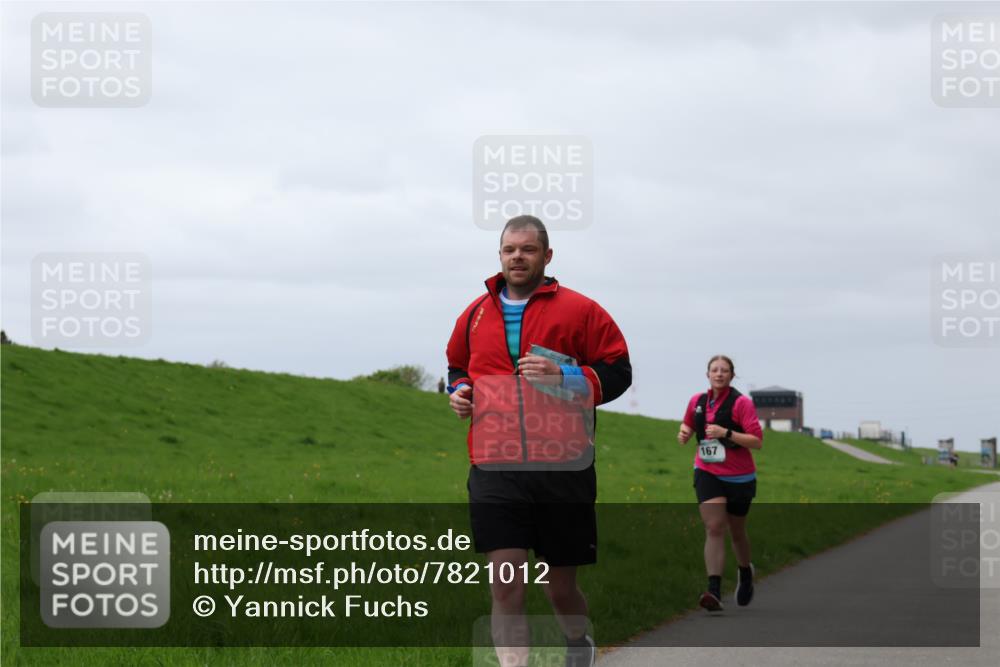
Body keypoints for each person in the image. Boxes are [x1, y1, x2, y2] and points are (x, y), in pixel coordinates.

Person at [446, 215, 631, 667]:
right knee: (506, 584)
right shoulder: (474, 313)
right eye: (510, 250)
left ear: (547, 256)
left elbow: (619, 371)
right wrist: (460, 392)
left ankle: (577, 644)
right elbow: (457, 368)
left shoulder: (581, 310)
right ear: (500, 255)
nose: (517, 257)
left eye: (527, 250)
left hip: (562, 466)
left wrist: (566, 374)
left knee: (558, 584)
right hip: (495, 466)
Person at [677, 355, 763, 612]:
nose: (719, 374)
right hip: (707, 472)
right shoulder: (697, 401)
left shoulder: (741, 404)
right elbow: (689, 423)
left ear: (731, 375)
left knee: (737, 532)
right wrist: (684, 432)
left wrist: (727, 433)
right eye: (714, 370)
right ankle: (713, 590)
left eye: (724, 370)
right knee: (714, 526)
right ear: (708, 375)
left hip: (739, 477)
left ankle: (745, 571)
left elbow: (757, 441)